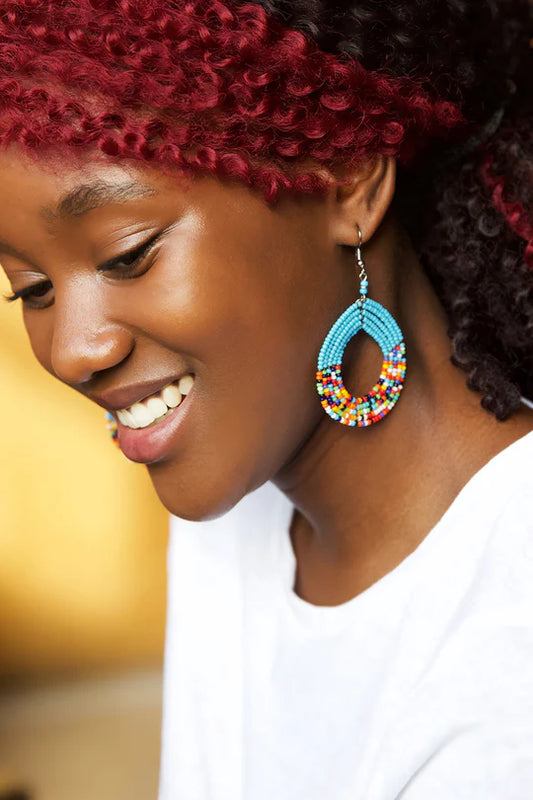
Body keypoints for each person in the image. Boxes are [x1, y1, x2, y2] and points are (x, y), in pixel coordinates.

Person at [0, 1, 532, 797]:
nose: (72, 349)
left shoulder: (505, 669)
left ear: (347, 182)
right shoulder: (238, 503)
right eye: (31, 289)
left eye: (127, 255)